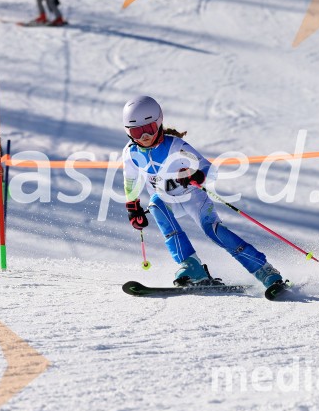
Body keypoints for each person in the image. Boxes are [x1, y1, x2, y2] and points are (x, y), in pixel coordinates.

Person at [121, 95, 286, 289]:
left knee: (214, 231)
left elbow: (209, 169)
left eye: (148, 129)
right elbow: (130, 181)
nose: (144, 137)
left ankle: (264, 269)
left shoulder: (176, 147)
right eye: (136, 131)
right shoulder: (131, 153)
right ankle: (191, 266)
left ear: (159, 123)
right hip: (167, 199)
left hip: (192, 197)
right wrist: (133, 207)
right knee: (156, 205)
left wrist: (196, 174)